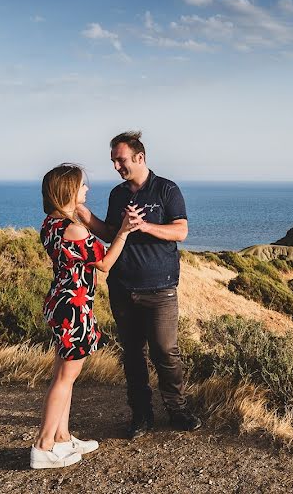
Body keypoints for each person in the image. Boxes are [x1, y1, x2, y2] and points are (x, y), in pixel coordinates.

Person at [76, 131, 201, 438]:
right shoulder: (118, 195)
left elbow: (181, 231)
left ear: (139, 157)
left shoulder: (166, 190)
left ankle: (177, 411)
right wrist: (83, 214)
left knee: (165, 351)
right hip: (122, 286)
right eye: (114, 161)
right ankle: (141, 416)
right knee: (132, 354)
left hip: (160, 288)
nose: (117, 166)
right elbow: (108, 233)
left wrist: (143, 226)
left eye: (121, 160)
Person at [33, 164, 141, 469]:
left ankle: (63, 438)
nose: (87, 189)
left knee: (62, 375)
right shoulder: (74, 229)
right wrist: (123, 232)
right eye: (82, 185)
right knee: (65, 379)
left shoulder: (50, 224)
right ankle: (43, 445)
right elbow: (104, 264)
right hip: (74, 308)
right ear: (68, 191)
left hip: (61, 302)